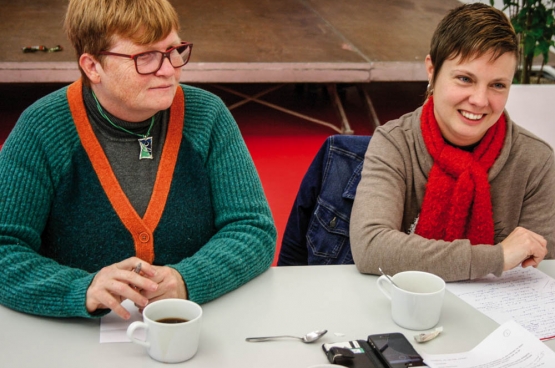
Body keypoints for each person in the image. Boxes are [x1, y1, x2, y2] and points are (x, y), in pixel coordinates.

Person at [0, 0, 276, 319]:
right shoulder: (43, 128)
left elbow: (253, 228)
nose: (169, 69)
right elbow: (5, 247)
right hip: (75, 338)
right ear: (92, 67)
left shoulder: (208, 116)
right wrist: (81, 289)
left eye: (174, 50)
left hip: (197, 325)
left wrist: (185, 280)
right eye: (144, 56)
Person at [350, 3, 555, 282]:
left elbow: (542, 266)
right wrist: (496, 257)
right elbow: (371, 246)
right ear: (432, 71)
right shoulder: (395, 142)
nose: (480, 101)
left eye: (497, 85)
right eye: (464, 79)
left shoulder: (536, 160)